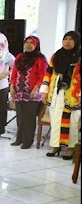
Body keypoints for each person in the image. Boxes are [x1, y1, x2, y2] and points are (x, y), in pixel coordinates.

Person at [40, 31, 81, 159]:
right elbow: (48, 73)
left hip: (73, 94)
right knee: (56, 119)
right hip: (56, 93)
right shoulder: (56, 55)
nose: (67, 42)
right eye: (65, 39)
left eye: (70, 39)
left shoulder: (79, 57)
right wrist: (45, 91)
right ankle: (55, 145)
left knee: (73, 122)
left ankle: (70, 148)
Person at [10, 35, 48, 149]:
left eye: (31, 43)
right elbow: (14, 73)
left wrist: (36, 88)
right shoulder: (20, 57)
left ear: (36, 45)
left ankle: (28, 141)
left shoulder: (40, 59)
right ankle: (19, 139)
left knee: (29, 118)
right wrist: (12, 86)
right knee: (20, 116)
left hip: (33, 93)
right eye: (26, 42)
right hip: (19, 92)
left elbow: (43, 76)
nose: (28, 45)